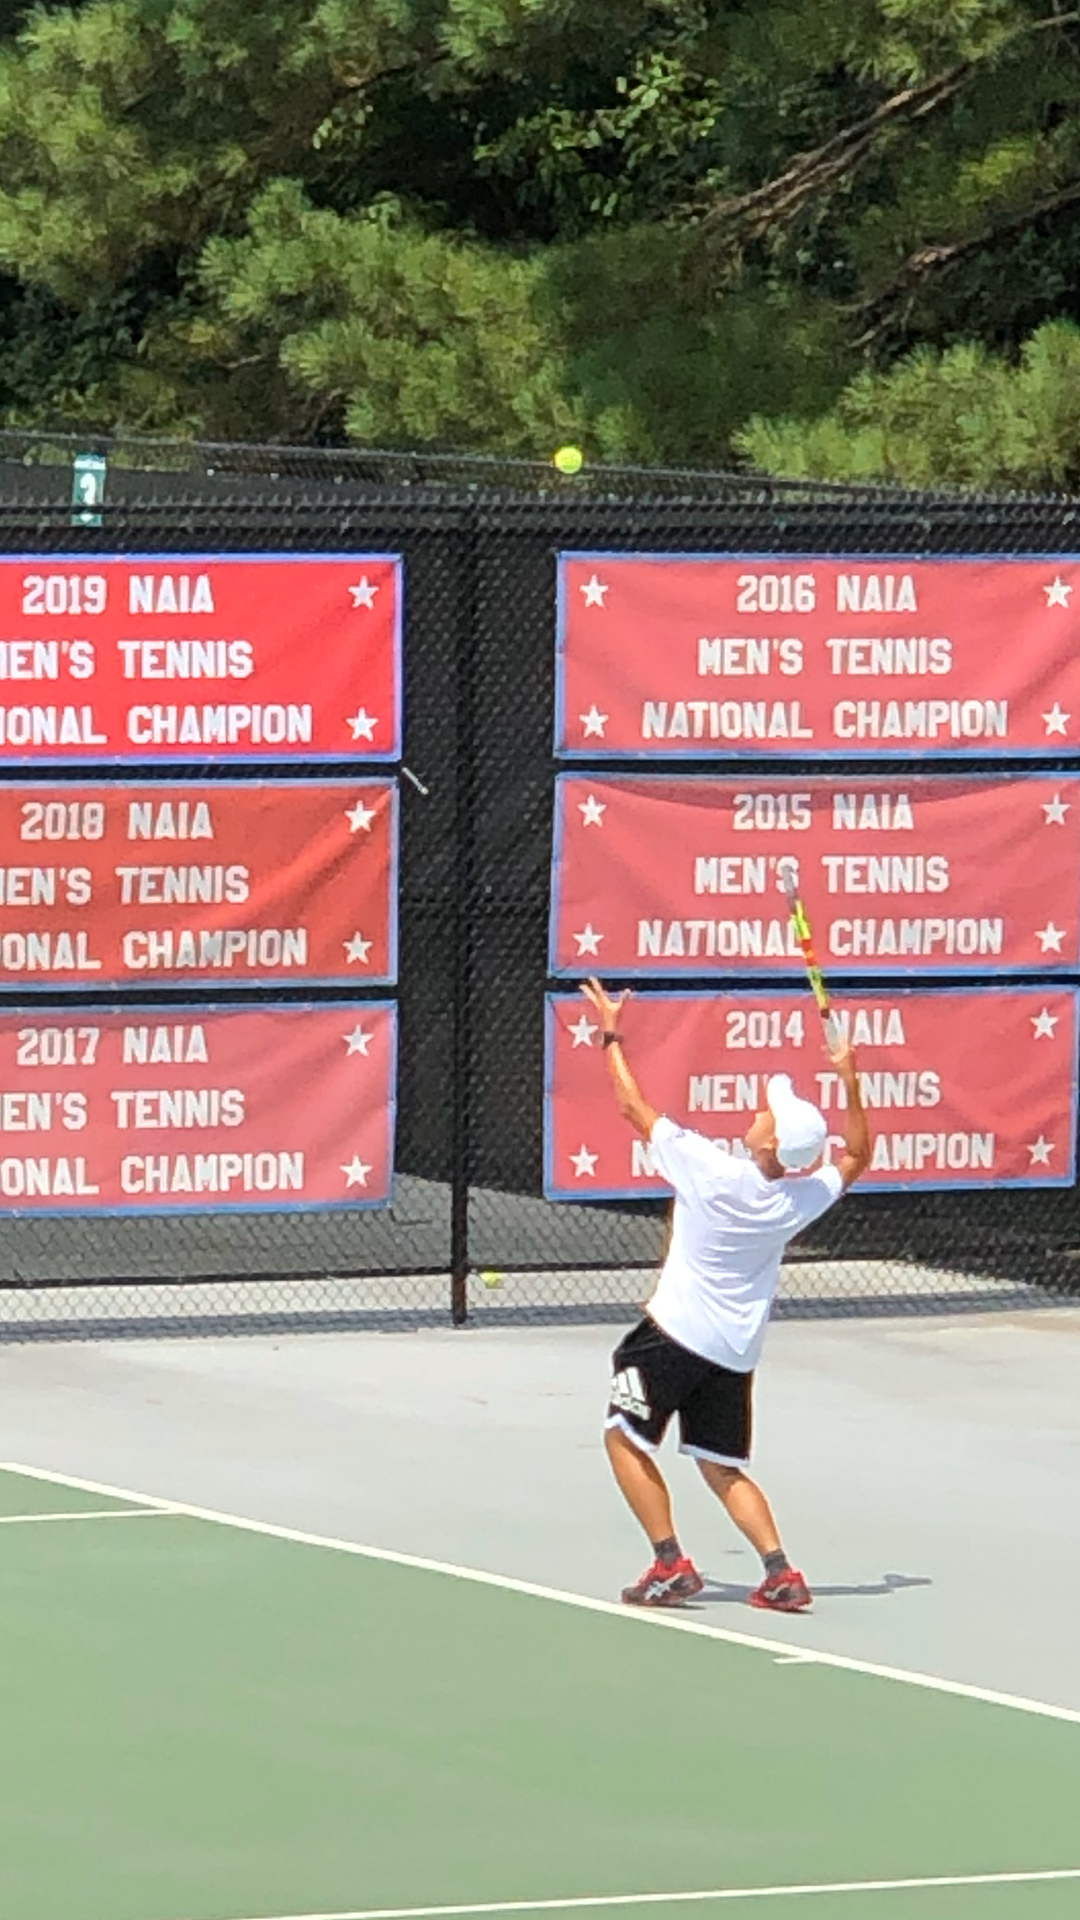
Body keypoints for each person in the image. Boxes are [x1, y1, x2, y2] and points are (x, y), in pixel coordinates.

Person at [580, 976, 872, 1614]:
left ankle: (669, 1564)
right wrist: (850, 1078)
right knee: (721, 1466)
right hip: (733, 1355)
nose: (759, 1111)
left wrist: (610, 1034)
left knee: (622, 1438)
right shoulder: (798, 1199)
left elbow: (631, 1107)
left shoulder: (708, 1171)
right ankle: (780, 1573)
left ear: (770, 1142)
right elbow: (857, 1154)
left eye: (767, 1113)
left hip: (670, 1339)